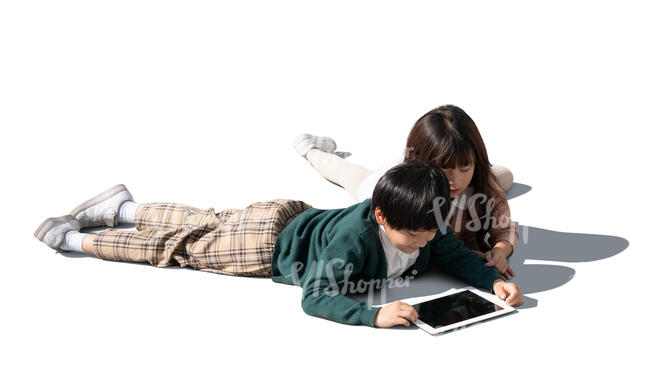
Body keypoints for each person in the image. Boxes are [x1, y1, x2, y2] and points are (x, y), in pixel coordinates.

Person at [33, 161, 523, 328]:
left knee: (204, 220)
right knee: (178, 247)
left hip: (291, 215)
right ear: (379, 215)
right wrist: (372, 314)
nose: (424, 242)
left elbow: (455, 255)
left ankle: (121, 208)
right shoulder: (352, 244)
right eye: (411, 235)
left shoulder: (425, 228)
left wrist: (492, 280)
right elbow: (315, 296)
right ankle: (77, 240)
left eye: (429, 230)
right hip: (265, 245)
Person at [294, 104, 519, 279]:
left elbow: (505, 228)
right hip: (383, 183)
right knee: (348, 174)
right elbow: (412, 247)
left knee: (503, 176)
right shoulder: (391, 200)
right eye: (446, 169)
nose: (455, 180)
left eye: (464, 167)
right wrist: (464, 255)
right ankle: (312, 150)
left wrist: (500, 250)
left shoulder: (479, 183)